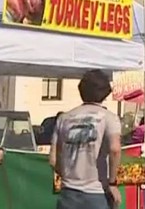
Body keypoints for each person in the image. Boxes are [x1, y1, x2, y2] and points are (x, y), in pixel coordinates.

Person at [51, 70, 123, 209]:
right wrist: (112, 183)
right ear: (105, 93)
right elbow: (115, 149)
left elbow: (54, 159)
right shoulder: (109, 118)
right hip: (97, 191)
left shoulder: (64, 118)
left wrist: (66, 174)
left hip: (69, 191)